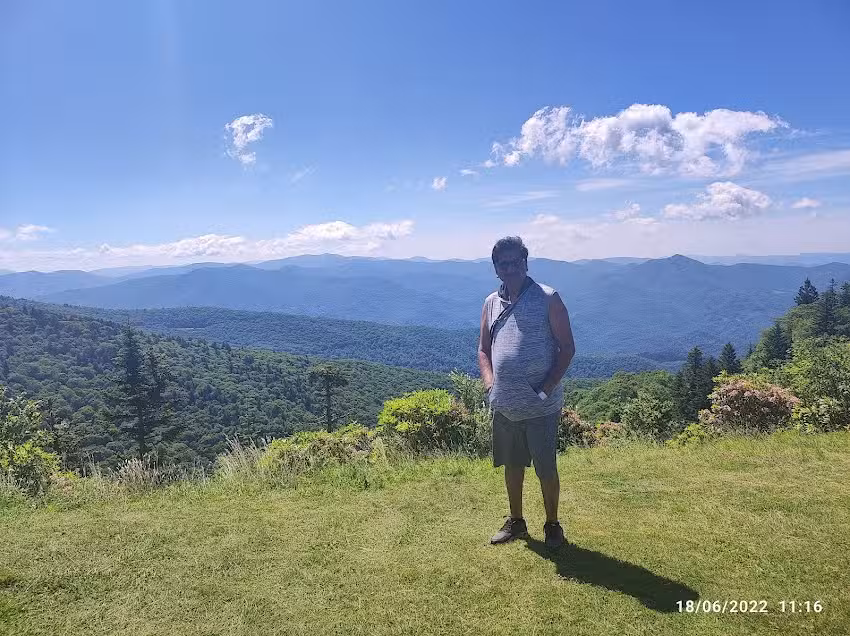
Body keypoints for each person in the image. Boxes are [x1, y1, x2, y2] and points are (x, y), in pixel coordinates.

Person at [478, 236, 576, 548]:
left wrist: (545, 390)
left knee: (546, 468)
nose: (510, 268)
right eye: (503, 264)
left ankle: (552, 525)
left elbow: (567, 348)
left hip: (540, 407)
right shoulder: (491, 303)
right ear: (496, 268)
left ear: (525, 263)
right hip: (505, 405)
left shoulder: (548, 298)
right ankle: (516, 522)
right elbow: (483, 349)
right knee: (512, 465)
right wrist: (490, 384)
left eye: (515, 262)